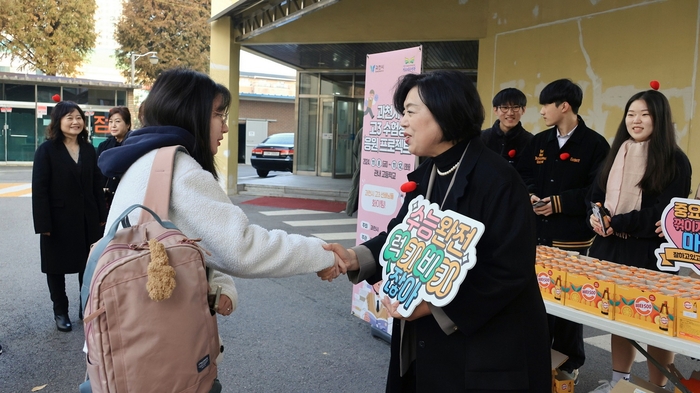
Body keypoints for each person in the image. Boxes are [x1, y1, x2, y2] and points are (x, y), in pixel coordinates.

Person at [324, 70, 551, 392]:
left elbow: (509, 270)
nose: (402, 121)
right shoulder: (428, 172)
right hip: (426, 342)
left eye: (411, 111)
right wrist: (354, 258)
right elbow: (399, 236)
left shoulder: (497, 179)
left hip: (486, 345)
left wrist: (434, 306)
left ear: (447, 112)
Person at [98, 67, 339, 314]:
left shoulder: (145, 158)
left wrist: (220, 286)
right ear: (190, 115)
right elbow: (240, 248)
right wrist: (323, 254)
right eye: (217, 115)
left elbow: (189, 244)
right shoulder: (180, 170)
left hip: (125, 324)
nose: (224, 127)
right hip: (159, 337)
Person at [587, 90, 692, 392]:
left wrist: (614, 221)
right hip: (612, 247)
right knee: (619, 317)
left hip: (650, 254)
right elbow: (593, 195)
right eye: (631, 113)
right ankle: (620, 383)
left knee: (656, 323)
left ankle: (654, 388)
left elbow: (661, 215)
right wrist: (594, 216)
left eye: (645, 114)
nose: (636, 120)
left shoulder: (675, 161)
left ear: (659, 119)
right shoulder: (616, 152)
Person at [517, 78, 610, 383]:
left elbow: (597, 189)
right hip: (538, 234)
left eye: (546, 104)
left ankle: (570, 360)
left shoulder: (596, 144)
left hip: (572, 238)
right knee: (537, 298)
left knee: (569, 301)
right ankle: (539, 355)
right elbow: (524, 173)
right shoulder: (539, 141)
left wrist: (558, 203)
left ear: (564, 106)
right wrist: (531, 195)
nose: (541, 110)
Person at [32, 101, 108, 332]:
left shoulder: (87, 148)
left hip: (87, 219)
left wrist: (102, 215)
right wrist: (43, 224)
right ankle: (60, 311)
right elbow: (40, 188)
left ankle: (85, 306)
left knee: (88, 265)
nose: (75, 122)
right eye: (69, 117)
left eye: (78, 117)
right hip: (57, 220)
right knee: (56, 268)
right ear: (59, 121)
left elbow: (96, 183)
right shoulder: (46, 150)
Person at [481, 87, 533, 168]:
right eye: (505, 108)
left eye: (515, 107)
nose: (510, 113)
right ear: (495, 110)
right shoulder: (482, 138)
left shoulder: (530, 141)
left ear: (523, 110)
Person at [96, 106, 132, 210]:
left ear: (128, 124)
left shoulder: (133, 145)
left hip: (126, 198)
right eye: (111, 122)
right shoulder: (104, 146)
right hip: (106, 199)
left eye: (117, 121)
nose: (113, 125)